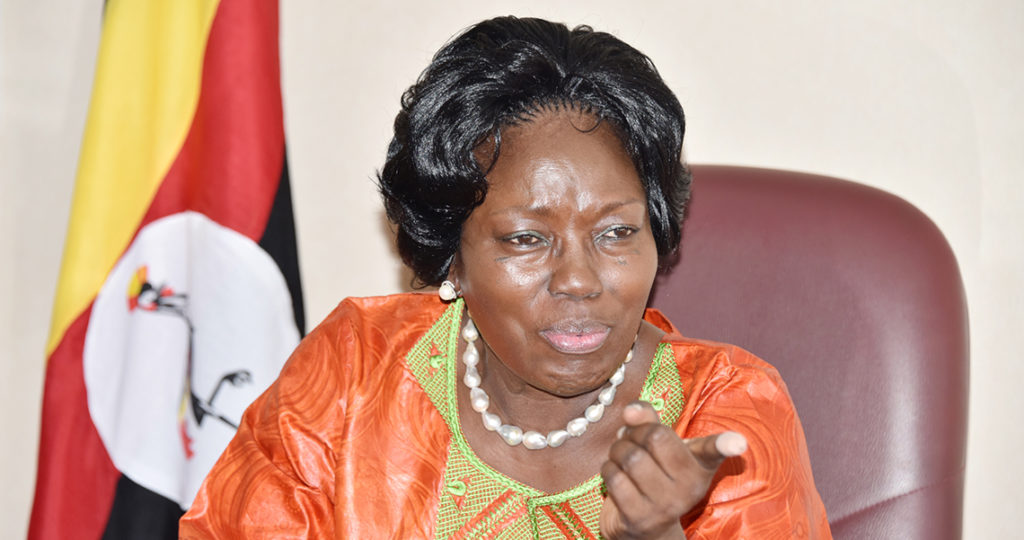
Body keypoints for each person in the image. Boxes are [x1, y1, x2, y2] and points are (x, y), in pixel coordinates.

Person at [180, 16, 831, 539]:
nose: (578, 279)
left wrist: (656, 536)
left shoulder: (727, 411)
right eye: (526, 239)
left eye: (616, 233)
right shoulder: (356, 369)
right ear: (450, 256)